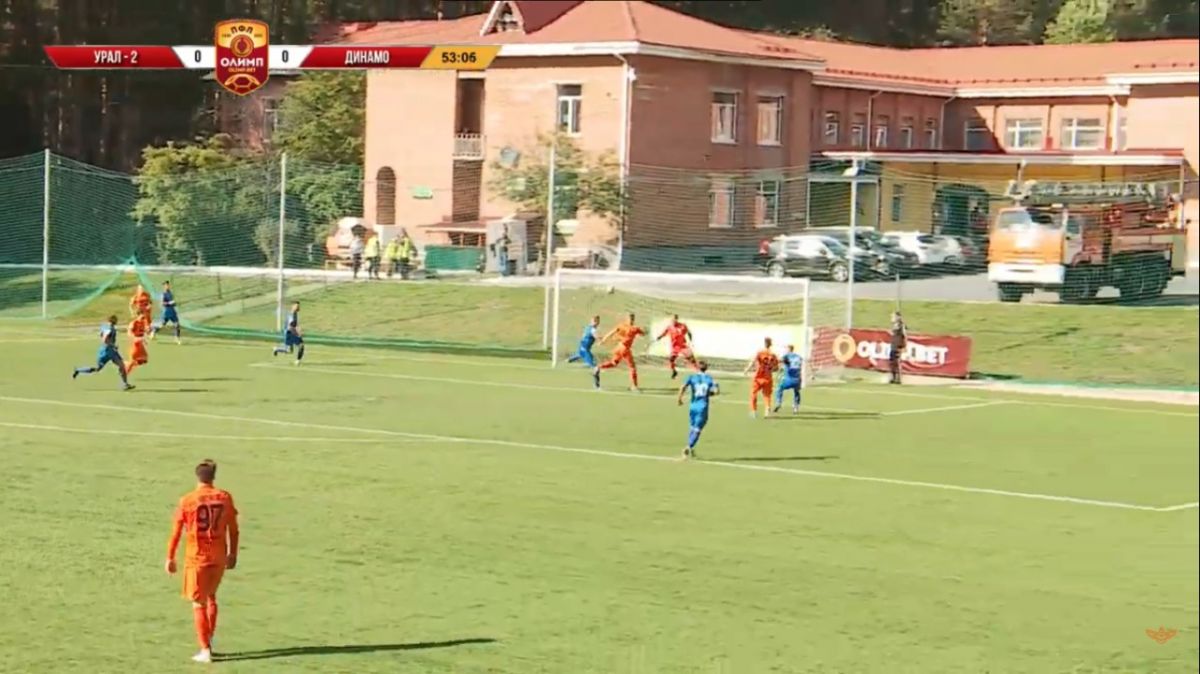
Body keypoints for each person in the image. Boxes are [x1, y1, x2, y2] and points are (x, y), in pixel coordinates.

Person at [165, 459, 239, 664]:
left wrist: (170, 557)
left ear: (197, 476)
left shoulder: (188, 500)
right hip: (218, 555)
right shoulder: (224, 497)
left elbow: (176, 532)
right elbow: (233, 529)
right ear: (213, 477)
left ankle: (205, 649)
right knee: (212, 596)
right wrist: (233, 553)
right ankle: (209, 639)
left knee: (198, 603)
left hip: (197, 558)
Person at [72, 315, 133, 390]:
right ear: (113, 320)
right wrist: (113, 345)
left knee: (122, 365)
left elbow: (101, 335)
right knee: (98, 369)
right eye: (116, 319)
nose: (117, 321)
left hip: (111, 351)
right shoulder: (109, 328)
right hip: (106, 351)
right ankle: (78, 370)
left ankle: (125, 384)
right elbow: (105, 339)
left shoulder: (105, 326)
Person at [677, 360, 719, 460]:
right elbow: (716, 391)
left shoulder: (692, 377)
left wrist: (679, 399)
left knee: (692, 427)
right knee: (698, 429)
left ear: (697, 368)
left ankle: (690, 448)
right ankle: (688, 447)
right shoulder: (709, 378)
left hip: (693, 406)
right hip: (702, 407)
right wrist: (712, 391)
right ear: (706, 368)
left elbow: (683, 387)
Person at [593, 313, 646, 391]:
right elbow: (643, 334)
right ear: (633, 319)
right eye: (632, 318)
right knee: (632, 367)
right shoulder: (635, 328)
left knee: (614, 363)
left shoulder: (622, 326)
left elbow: (611, 332)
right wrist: (645, 331)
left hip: (619, 348)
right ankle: (634, 386)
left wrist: (603, 340)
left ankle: (598, 367)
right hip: (625, 349)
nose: (632, 320)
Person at [744, 337, 779, 419]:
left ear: (764, 343)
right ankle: (767, 409)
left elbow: (753, 361)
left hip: (758, 377)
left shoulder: (760, 352)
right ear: (770, 344)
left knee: (753, 394)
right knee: (767, 395)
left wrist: (747, 369)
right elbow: (776, 367)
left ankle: (753, 411)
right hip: (768, 378)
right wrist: (770, 369)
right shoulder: (773, 355)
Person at [655, 314, 698, 380]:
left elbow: (689, 333)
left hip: (683, 345)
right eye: (672, 319)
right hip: (675, 347)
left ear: (677, 319)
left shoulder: (682, 326)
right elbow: (664, 333)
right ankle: (674, 371)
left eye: (675, 319)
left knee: (691, 359)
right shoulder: (669, 327)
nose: (673, 320)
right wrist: (659, 337)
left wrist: (690, 341)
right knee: (671, 359)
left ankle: (698, 371)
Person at [773, 344, 804, 415]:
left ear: (788, 349)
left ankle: (778, 402)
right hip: (797, 379)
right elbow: (800, 365)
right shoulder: (798, 357)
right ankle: (796, 407)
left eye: (786, 349)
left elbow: (779, 361)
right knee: (797, 392)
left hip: (789, 379)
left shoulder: (786, 356)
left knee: (779, 388)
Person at [889, 311, 907, 385]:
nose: (892, 318)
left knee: (897, 362)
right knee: (892, 362)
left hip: (898, 346)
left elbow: (904, 335)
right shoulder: (894, 325)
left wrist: (904, 346)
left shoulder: (901, 325)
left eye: (894, 316)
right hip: (893, 346)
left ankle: (898, 379)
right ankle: (893, 377)